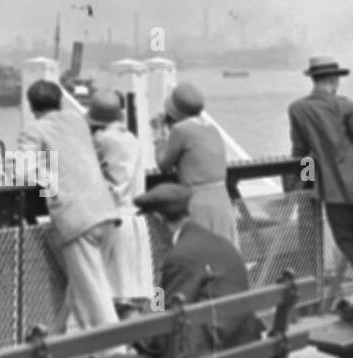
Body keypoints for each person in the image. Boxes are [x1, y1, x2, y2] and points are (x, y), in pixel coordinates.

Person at [91, 183, 263, 358]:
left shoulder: (180, 256)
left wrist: (134, 328)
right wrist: (150, 310)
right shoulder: (220, 244)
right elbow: (164, 298)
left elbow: (162, 337)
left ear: (158, 220)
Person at [18, 80, 120, 329]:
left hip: (76, 222)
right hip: (106, 213)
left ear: (31, 108)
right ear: (61, 102)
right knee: (82, 295)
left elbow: (23, 172)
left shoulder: (34, 131)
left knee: (96, 303)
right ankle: (63, 344)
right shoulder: (78, 121)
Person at [284, 56, 353, 281]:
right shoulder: (347, 106)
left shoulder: (297, 109)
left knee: (346, 242)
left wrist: (307, 184)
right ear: (335, 80)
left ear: (313, 79)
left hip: (332, 191)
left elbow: (301, 154)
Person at [87, 89, 153, 316]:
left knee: (112, 301)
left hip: (114, 223)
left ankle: (120, 348)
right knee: (133, 299)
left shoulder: (101, 141)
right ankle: (137, 346)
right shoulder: (131, 139)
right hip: (136, 223)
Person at [156, 82, 238, 248]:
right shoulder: (212, 129)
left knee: (199, 253)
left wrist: (159, 135)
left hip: (198, 203)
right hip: (222, 200)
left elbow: (163, 164)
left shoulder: (180, 130)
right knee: (223, 252)